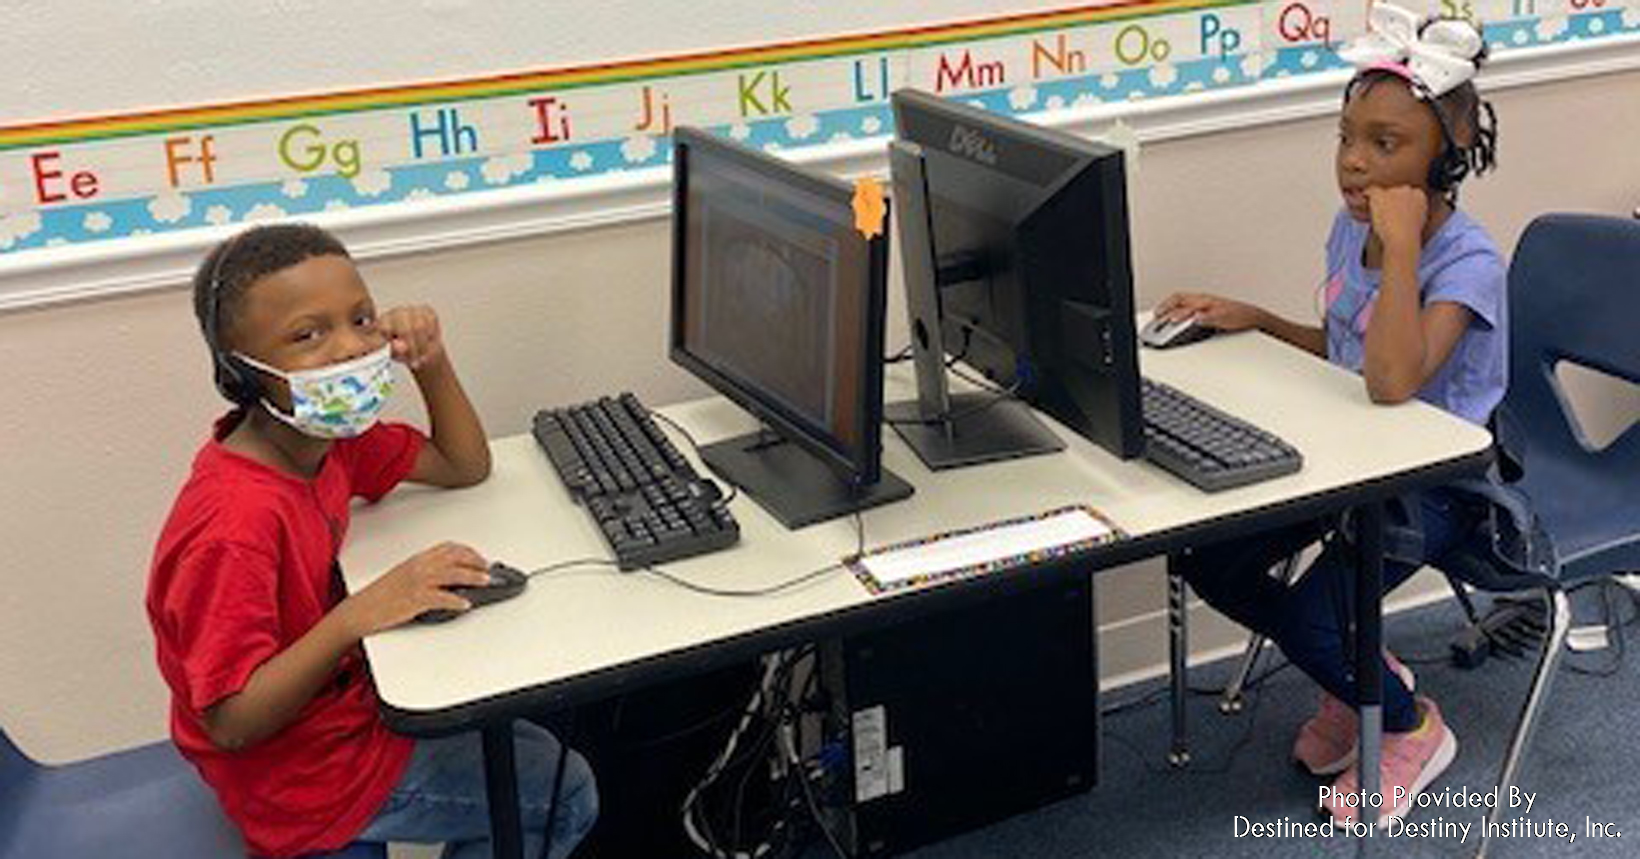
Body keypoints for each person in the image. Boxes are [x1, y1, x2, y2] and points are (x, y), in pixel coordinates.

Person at [1153, 3, 1502, 829]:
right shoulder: (1351, 233)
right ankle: (1358, 682)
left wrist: (1406, 247)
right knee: (1210, 560)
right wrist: (1260, 319)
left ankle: (1410, 722)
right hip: (1353, 455)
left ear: (1446, 158)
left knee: (1316, 618)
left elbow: (1393, 383)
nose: (1353, 163)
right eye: (1347, 137)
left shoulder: (1467, 261)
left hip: (1442, 482)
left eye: (1386, 145)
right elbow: (1352, 350)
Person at [146, 223, 597, 858]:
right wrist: (360, 614)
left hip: (340, 715)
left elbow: (463, 464)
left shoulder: (325, 445)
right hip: (294, 776)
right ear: (240, 369)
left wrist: (431, 362)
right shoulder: (232, 525)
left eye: (360, 319)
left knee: (540, 750)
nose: (349, 348)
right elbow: (233, 723)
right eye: (307, 335)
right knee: (564, 789)